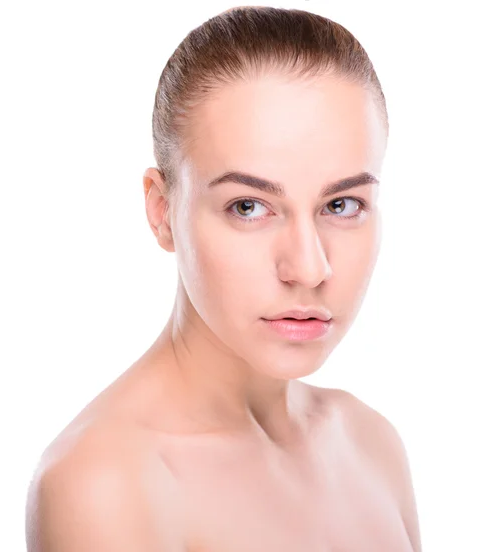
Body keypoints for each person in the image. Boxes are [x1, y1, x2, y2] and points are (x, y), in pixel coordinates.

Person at [26, 6, 421, 551]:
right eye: (248, 208)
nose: (309, 268)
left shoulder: (372, 445)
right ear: (162, 211)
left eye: (342, 204)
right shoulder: (106, 487)